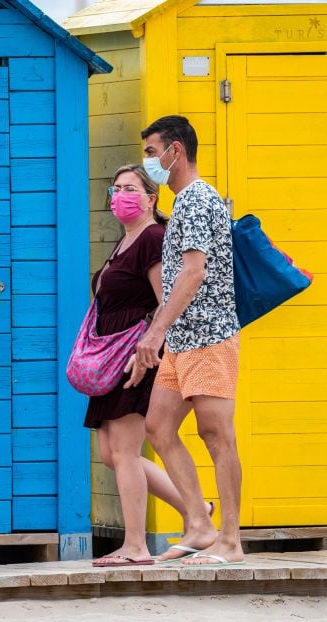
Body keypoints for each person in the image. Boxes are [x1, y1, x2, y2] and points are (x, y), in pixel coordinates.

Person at [128, 115, 245, 566]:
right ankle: (199, 523)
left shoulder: (197, 200)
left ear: (176, 150)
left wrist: (155, 331)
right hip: (182, 338)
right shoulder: (184, 204)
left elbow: (193, 274)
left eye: (153, 152)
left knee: (217, 436)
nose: (149, 161)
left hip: (209, 335)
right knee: (158, 426)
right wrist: (164, 332)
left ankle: (231, 541)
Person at [87, 164, 203, 568]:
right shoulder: (125, 241)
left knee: (124, 450)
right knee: (111, 452)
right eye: (116, 187)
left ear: (151, 198)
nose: (120, 194)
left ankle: (136, 545)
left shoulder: (153, 238)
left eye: (130, 188)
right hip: (112, 355)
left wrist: (150, 344)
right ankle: (195, 510)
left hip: (137, 356)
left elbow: (164, 299)